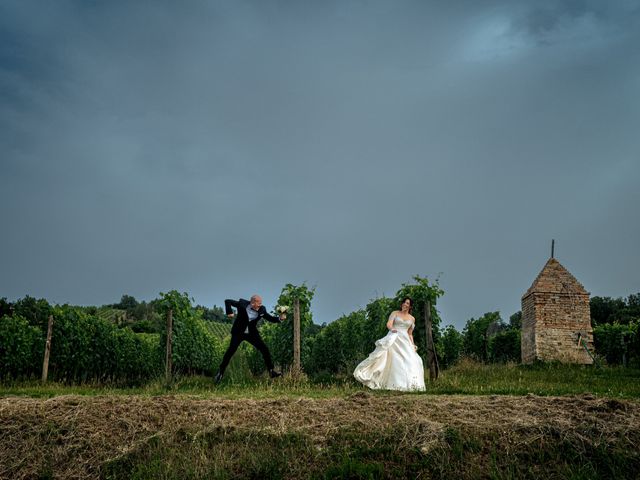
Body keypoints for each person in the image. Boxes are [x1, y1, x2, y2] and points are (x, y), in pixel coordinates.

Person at [353, 297, 426, 391]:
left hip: (405, 340)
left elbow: (410, 333)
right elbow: (389, 324)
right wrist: (392, 329)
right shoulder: (395, 313)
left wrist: (413, 345)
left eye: (407, 303)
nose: (405, 304)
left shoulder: (412, 319)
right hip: (395, 336)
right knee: (394, 359)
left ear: (410, 306)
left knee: (412, 360)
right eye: (404, 302)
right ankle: (393, 384)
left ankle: (412, 386)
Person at [214, 295, 285, 384]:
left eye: (261, 303)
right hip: (238, 332)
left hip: (251, 333)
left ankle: (271, 371)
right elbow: (227, 301)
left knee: (264, 349)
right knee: (230, 351)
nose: (260, 305)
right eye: (258, 303)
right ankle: (220, 372)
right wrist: (229, 312)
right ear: (252, 302)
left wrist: (280, 319)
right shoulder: (242, 304)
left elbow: (270, 318)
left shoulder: (262, 309)